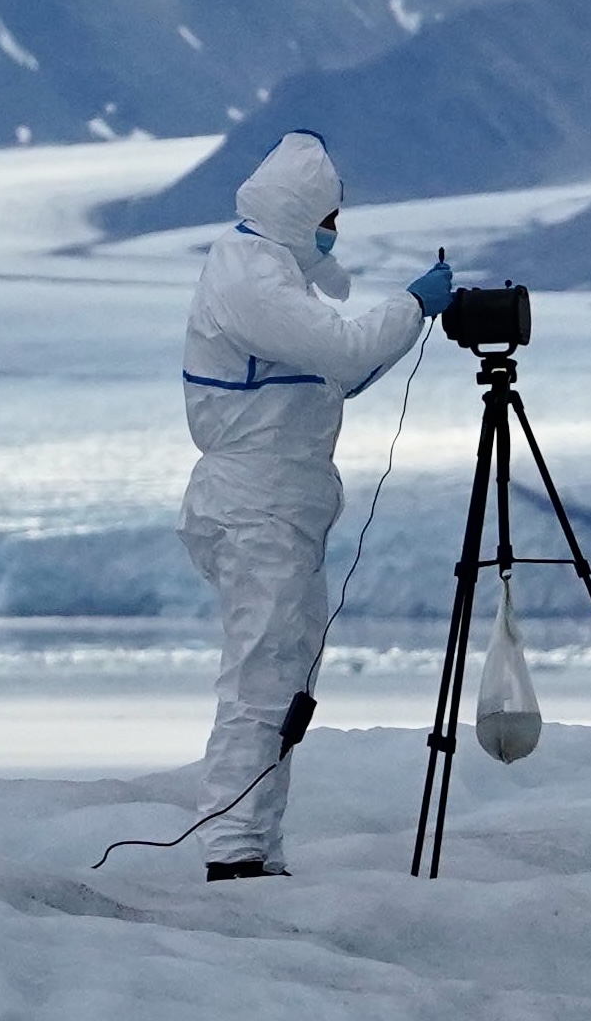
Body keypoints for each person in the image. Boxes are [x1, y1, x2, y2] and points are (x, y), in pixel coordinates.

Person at [177, 130, 454, 880]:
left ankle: (255, 840)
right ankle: (234, 847)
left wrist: (400, 324)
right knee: (262, 667)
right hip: (257, 499)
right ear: (305, 210)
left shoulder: (273, 276)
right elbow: (341, 351)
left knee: (282, 671)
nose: (336, 229)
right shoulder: (252, 277)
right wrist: (409, 304)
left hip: (282, 500)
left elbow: (332, 370)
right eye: (331, 214)